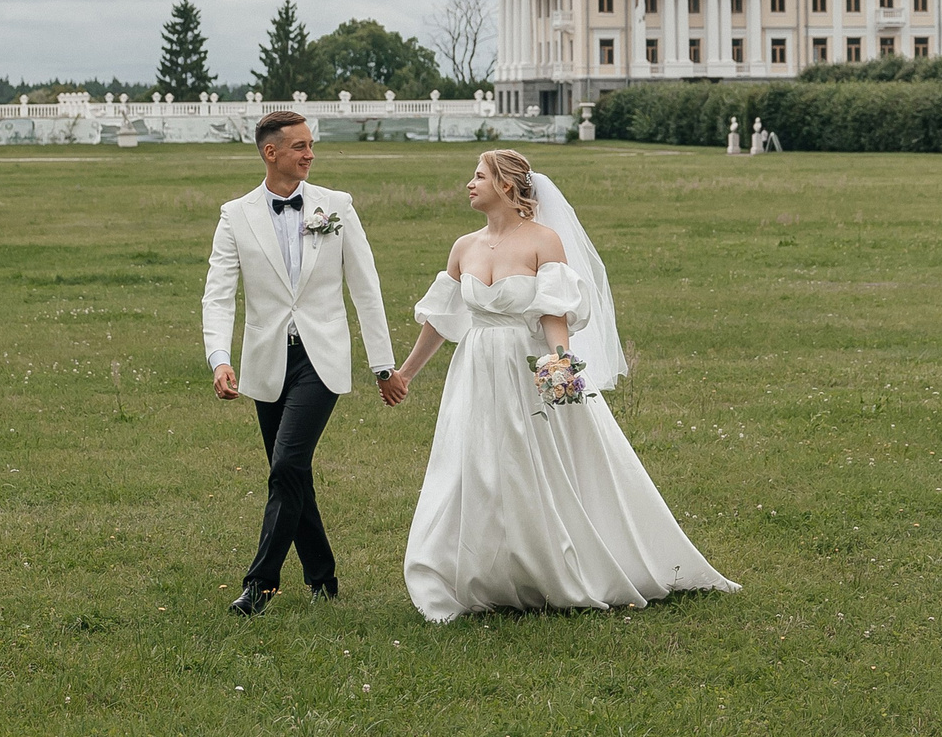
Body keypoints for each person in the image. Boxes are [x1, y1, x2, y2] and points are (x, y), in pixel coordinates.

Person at [383, 149, 737, 622]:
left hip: (524, 365)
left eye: (479, 175)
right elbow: (442, 320)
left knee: (533, 462)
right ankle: (468, 570)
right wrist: (405, 373)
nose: (469, 184)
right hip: (474, 369)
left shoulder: (542, 242)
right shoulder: (463, 246)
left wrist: (561, 365)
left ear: (506, 186)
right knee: (471, 464)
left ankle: (550, 565)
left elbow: (553, 314)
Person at [202, 109, 396, 615]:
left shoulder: (337, 206)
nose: (311, 154)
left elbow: (366, 287)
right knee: (292, 473)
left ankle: (260, 584)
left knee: (287, 463)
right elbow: (219, 295)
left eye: (312, 145)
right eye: (301, 147)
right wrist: (219, 359)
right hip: (267, 358)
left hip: (321, 358)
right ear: (272, 153)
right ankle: (323, 577)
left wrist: (382, 364)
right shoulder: (235, 214)